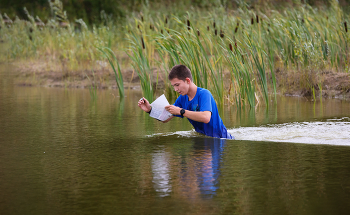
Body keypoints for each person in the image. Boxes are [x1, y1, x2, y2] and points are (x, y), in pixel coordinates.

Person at [138, 65, 234, 139]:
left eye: (177, 85)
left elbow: (206, 117)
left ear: (187, 80)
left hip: (221, 140)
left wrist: (181, 111)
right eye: (173, 86)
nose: (175, 89)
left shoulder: (204, 94)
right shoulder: (181, 99)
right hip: (203, 140)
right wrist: (150, 110)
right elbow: (165, 119)